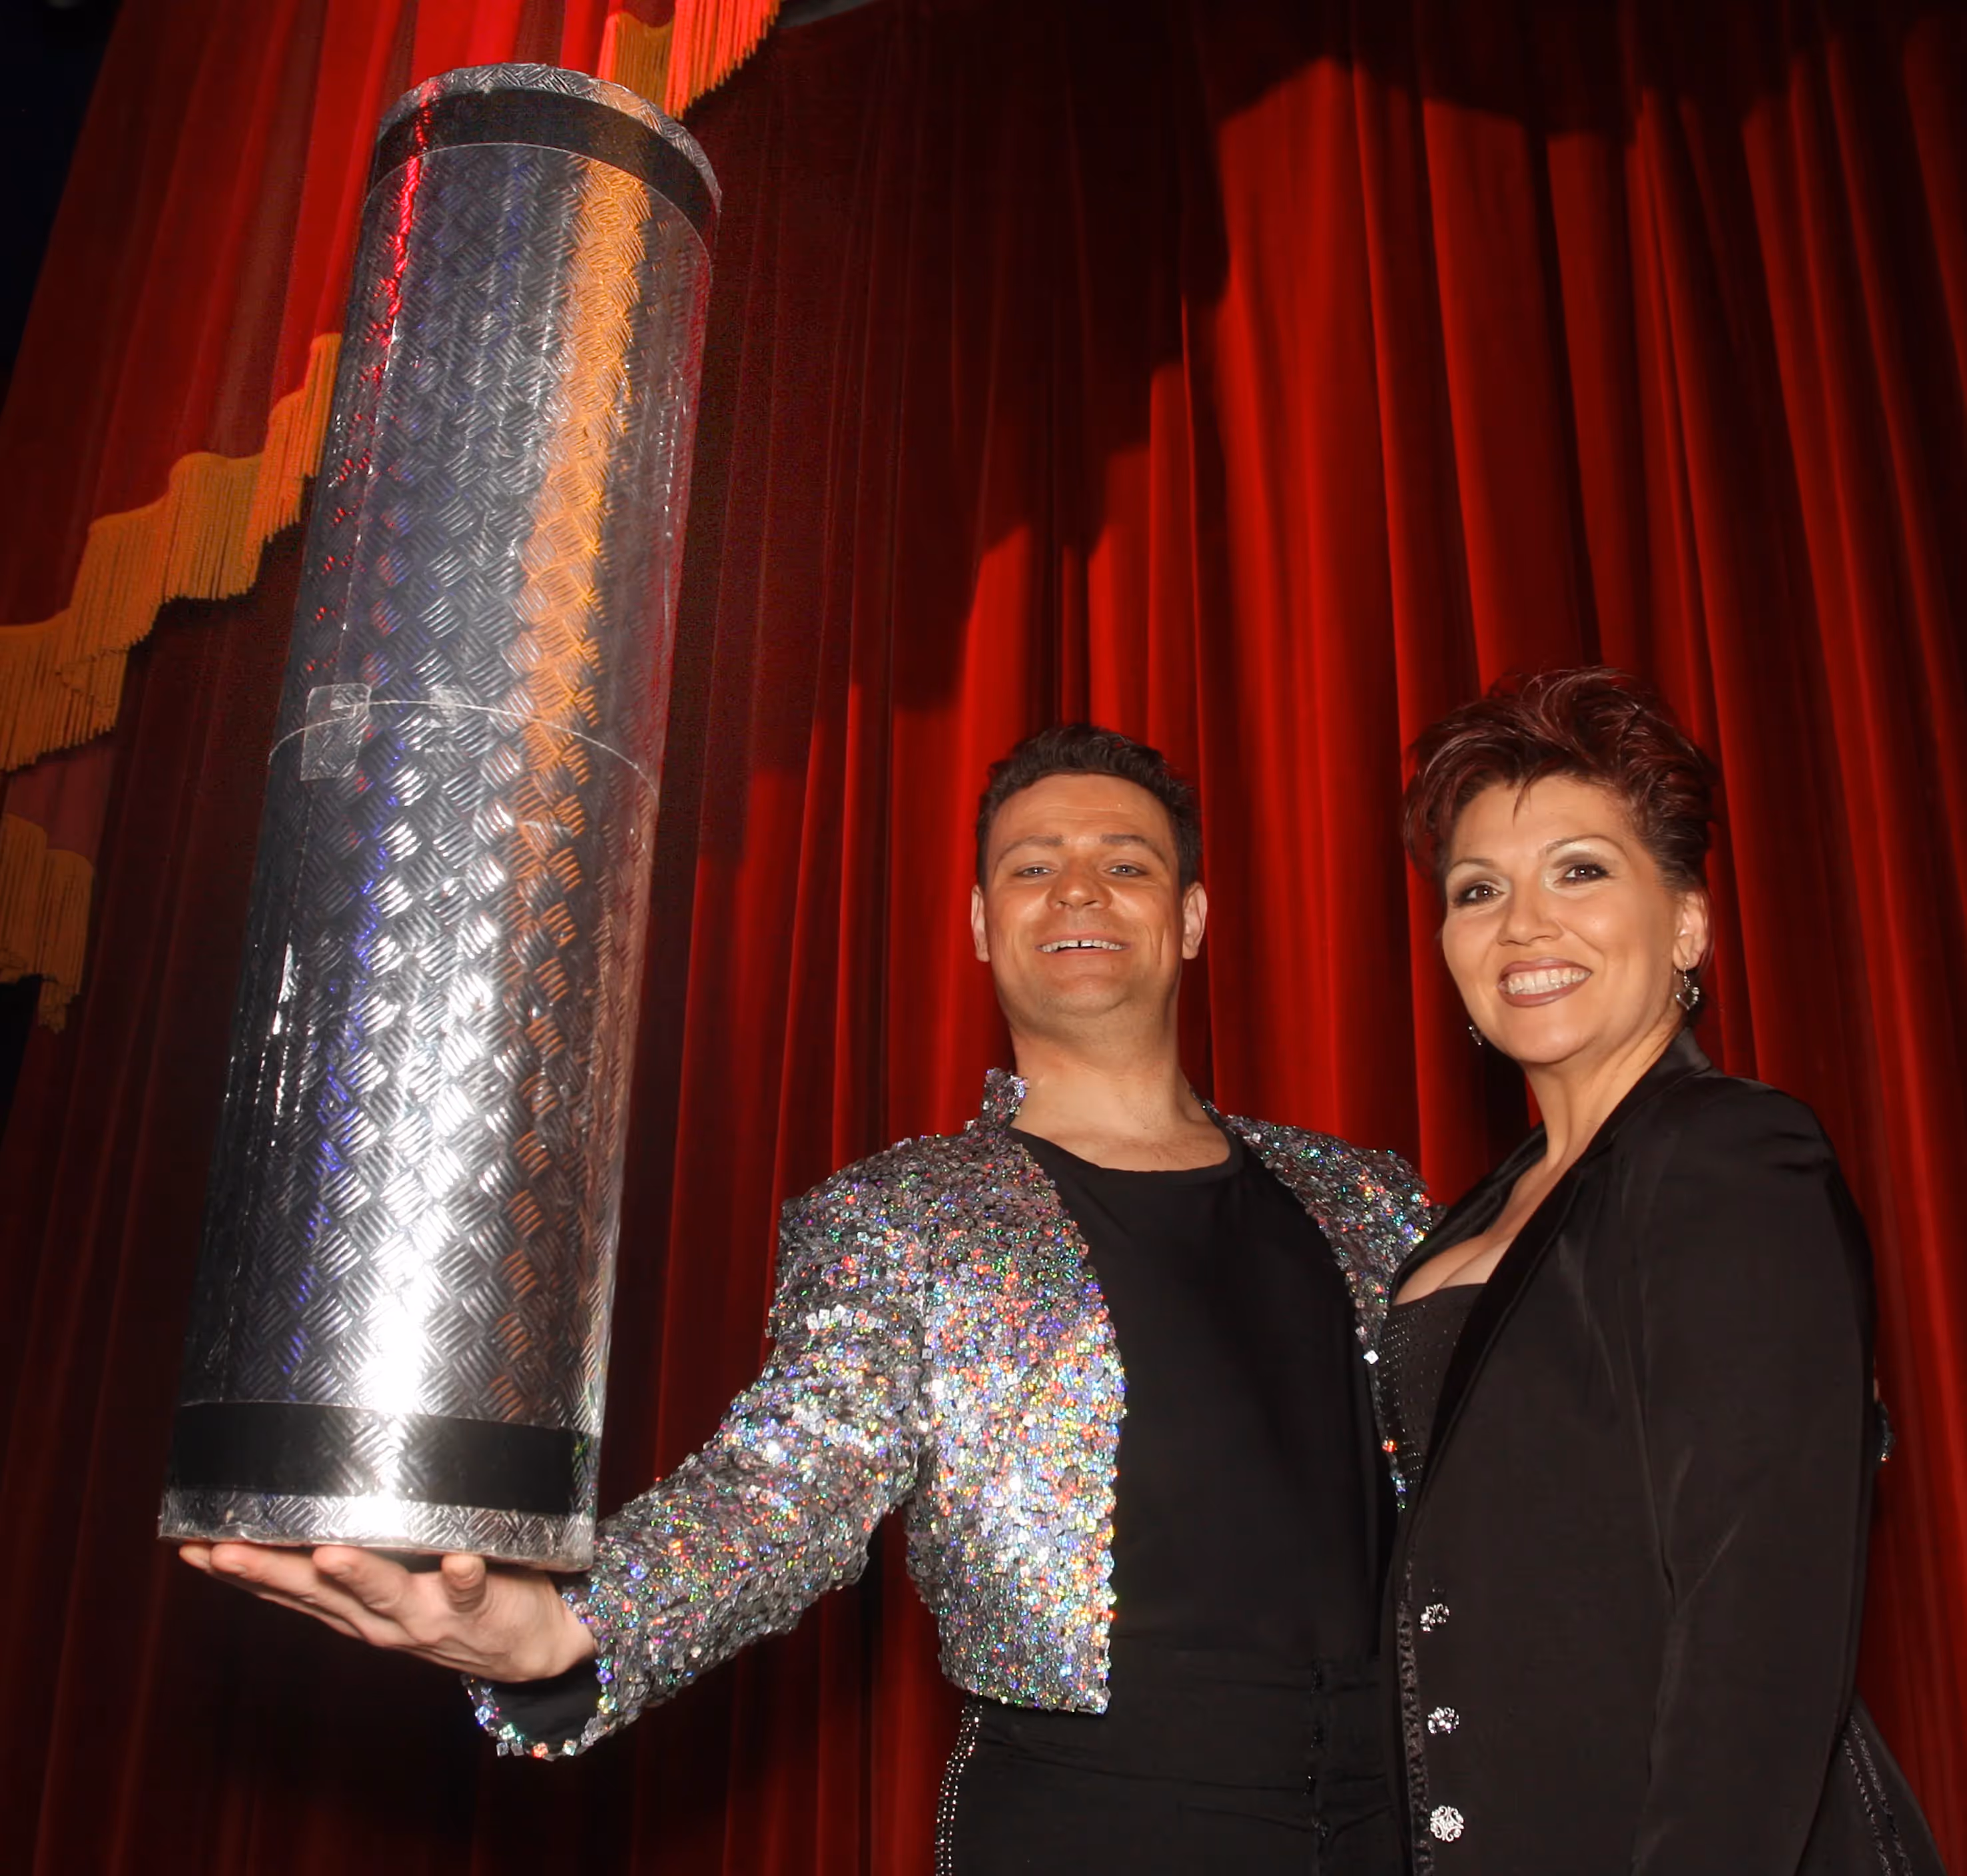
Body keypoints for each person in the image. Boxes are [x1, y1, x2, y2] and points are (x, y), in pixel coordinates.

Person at [181, 723, 1431, 1875]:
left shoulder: (1371, 1203)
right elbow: (789, 1485)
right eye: (1032, 867)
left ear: (1192, 917)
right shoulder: (904, 1215)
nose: (1078, 892)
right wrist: (568, 1632)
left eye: (1126, 864)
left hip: (1411, 1812)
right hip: (1097, 1819)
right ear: (982, 925)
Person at [1377, 668, 1944, 1875]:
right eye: (1479, 890)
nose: (1524, 924)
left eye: (1580, 871)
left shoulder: (1730, 1154)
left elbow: (1760, 1613)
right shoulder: (1477, 1212)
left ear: (1687, 924)